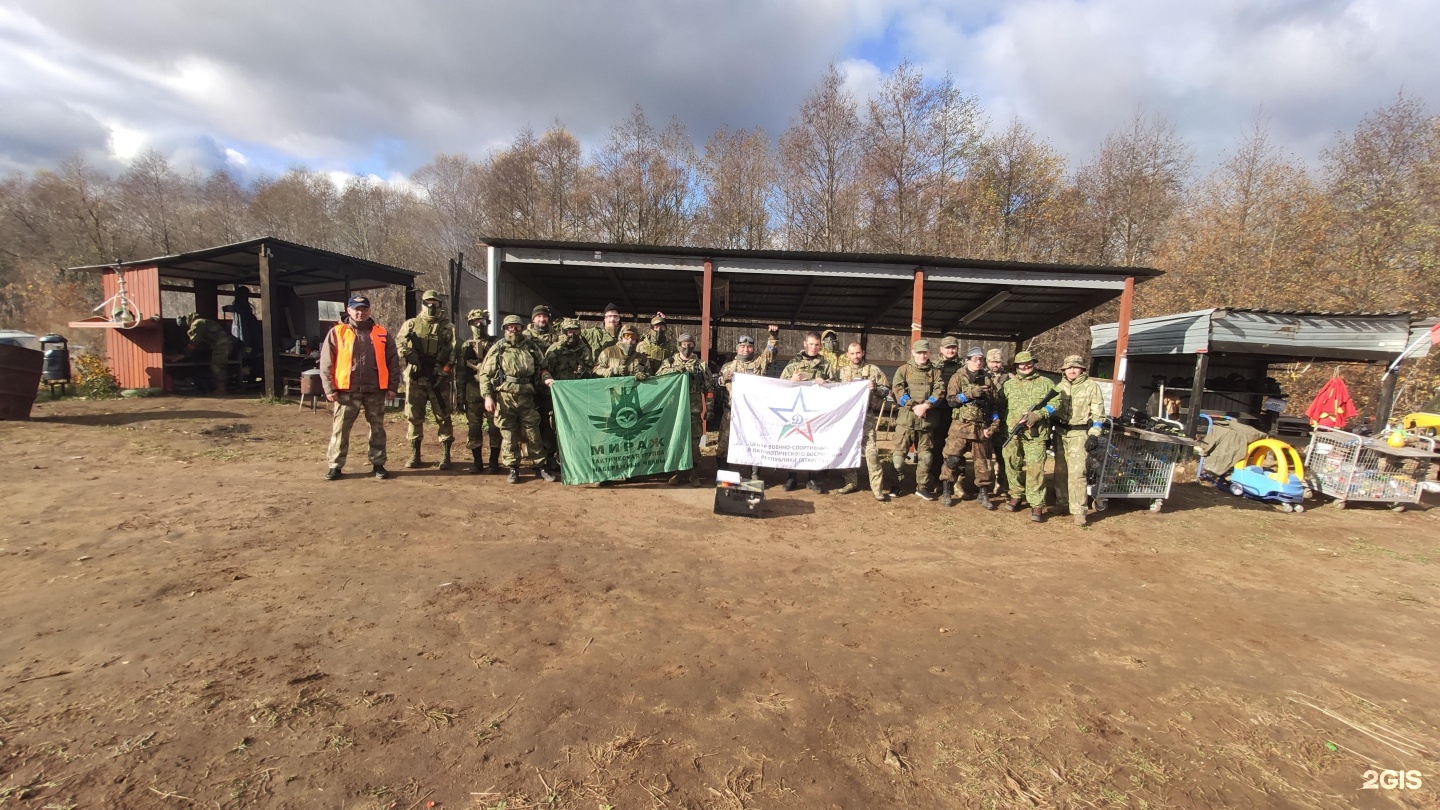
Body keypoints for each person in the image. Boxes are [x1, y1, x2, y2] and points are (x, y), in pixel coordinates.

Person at [319, 295, 401, 480]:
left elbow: (393, 362)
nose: (360, 313)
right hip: (346, 390)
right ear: (349, 310)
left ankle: (378, 464)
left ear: (369, 311)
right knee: (340, 429)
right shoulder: (337, 332)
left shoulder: (382, 333)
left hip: (375, 390)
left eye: (364, 309)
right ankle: (335, 466)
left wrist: (392, 386)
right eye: (356, 309)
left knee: (377, 428)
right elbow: (326, 363)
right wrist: (329, 388)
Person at [479, 314, 555, 484]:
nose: (514, 330)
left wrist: (547, 379)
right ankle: (513, 467)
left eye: (517, 327)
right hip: (506, 397)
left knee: (533, 433)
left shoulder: (531, 347)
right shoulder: (499, 348)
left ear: (522, 328)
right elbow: (485, 374)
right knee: (509, 434)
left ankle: (540, 466)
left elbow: (542, 368)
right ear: (505, 329)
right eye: (510, 327)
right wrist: (488, 397)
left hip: (527, 397)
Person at [396, 289, 456, 469]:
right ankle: (415, 455)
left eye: (435, 303)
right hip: (416, 378)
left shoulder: (447, 327)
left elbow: (453, 352)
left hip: (439, 380)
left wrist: (443, 371)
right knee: (414, 416)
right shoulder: (411, 324)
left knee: (443, 415)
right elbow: (400, 343)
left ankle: (446, 456)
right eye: (428, 302)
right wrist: (409, 355)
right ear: (423, 303)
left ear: (440, 304)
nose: (431, 306)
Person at [939, 347, 1001, 509]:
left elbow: (994, 406)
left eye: (981, 359)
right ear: (967, 360)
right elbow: (951, 401)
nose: (978, 362)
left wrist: (994, 424)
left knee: (983, 463)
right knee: (952, 459)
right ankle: (946, 490)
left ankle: (983, 493)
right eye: (975, 359)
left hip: (981, 427)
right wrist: (969, 394)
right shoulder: (958, 377)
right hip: (960, 425)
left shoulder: (988, 379)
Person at [1000, 350, 1057, 522]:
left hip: (1036, 435)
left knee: (1035, 470)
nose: (1026, 366)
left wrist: (1039, 415)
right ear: (1016, 366)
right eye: (1022, 364)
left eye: (1029, 363)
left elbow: (1056, 404)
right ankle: (1016, 495)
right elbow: (1002, 407)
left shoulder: (1046, 383)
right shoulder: (1008, 385)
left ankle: (1037, 505)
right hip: (1013, 433)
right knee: (1012, 464)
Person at [1052, 354, 1106, 526]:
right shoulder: (1059, 386)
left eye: (1076, 367)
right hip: (1060, 433)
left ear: (1082, 369)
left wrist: (1094, 434)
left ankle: (1079, 511)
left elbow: (1099, 413)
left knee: (1077, 473)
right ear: (1064, 370)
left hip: (1079, 433)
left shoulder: (1091, 387)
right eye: (1069, 367)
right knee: (1060, 472)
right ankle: (1062, 503)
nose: (1072, 370)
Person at [656, 333, 714, 486]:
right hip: (673, 409)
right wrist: (674, 372)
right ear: (678, 345)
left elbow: (709, 388)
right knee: (675, 439)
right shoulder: (669, 362)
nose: (687, 346)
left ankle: (693, 471)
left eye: (690, 343)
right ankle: (677, 472)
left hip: (693, 410)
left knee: (694, 441)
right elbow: (658, 381)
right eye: (684, 343)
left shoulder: (701, 365)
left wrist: (709, 407)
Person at [780, 331, 834, 492]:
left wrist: (826, 381)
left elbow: (836, 384)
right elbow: (779, 386)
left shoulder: (825, 365)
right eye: (811, 344)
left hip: (816, 411)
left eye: (817, 344)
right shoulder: (793, 364)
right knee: (795, 443)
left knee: (813, 444)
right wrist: (791, 381)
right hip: (796, 412)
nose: (813, 347)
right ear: (805, 344)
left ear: (820, 346)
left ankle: (812, 479)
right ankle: (792, 478)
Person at [835, 342, 890, 502]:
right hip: (847, 418)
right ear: (848, 355)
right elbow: (832, 389)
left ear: (863, 352)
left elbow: (886, 390)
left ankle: (877, 488)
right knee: (847, 451)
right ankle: (851, 482)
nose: (856, 356)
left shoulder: (873, 370)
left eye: (858, 353)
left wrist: (875, 389)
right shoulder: (841, 373)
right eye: (852, 354)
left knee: (871, 453)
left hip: (866, 417)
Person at [890, 339, 943, 500]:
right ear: (913, 353)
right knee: (898, 458)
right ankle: (896, 485)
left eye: (925, 352)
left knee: (925, 457)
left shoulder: (935, 372)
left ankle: (922, 486)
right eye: (919, 352)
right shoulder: (903, 370)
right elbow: (897, 390)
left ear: (929, 353)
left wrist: (926, 405)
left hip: (926, 422)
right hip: (906, 422)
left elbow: (940, 391)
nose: (922, 355)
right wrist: (913, 406)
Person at [716, 334, 775, 478]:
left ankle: (754, 474)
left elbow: (770, 353)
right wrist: (725, 377)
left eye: (749, 347)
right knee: (724, 443)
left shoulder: (758, 364)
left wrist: (773, 337)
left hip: (752, 413)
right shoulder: (728, 366)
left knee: (754, 441)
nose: (746, 350)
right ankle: (724, 472)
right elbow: (718, 381)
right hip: (732, 412)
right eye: (742, 347)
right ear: (737, 348)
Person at [459, 309, 502, 474]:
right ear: (470, 325)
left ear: (488, 323)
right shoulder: (465, 346)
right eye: (475, 323)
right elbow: (461, 373)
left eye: (482, 322)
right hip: (472, 392)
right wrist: (460, 396)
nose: (479, 325)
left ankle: (493, 462)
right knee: (474, 428)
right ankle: (477, 462)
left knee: (494, 427)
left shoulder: (496, 344)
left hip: (492, 392)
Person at [525, 304, 561, 472]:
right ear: (533, 319)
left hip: (549, 386)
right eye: (538, 316)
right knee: (530, 424)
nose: (542, 319)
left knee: (548, 423)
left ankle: (549, 456)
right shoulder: (525, 337)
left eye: (544, 316)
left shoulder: (556, 337)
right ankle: (534, 457)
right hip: (528, 387)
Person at [928, 336, 964, 490]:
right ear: (941, 349)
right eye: (947, 347)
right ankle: (937, 478)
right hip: (937, 411)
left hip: (957, 412)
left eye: (953, 347)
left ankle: (956, 481)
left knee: (957, 447)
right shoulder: (933, 366)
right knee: (937, 446)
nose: (951, 350)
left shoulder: (964, 366)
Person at [180, 312, 234, 395]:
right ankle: (221, 388)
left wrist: (186, 352)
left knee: (217, 365)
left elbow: (195, 340)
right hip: (223, 344)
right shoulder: (204, 321)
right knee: (219, 365)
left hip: (221, 345)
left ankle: (221, 390)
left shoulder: (197, 323)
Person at [987, 348, 1012, 496]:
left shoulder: (1009, 377)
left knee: (1002, 454)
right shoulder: (981, 375)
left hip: (1003, 421)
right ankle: (983, 484)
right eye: (992, 361)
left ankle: (1001, 484)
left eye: (997, 361)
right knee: (984, 454)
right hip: (986, 420)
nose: (995, 365)